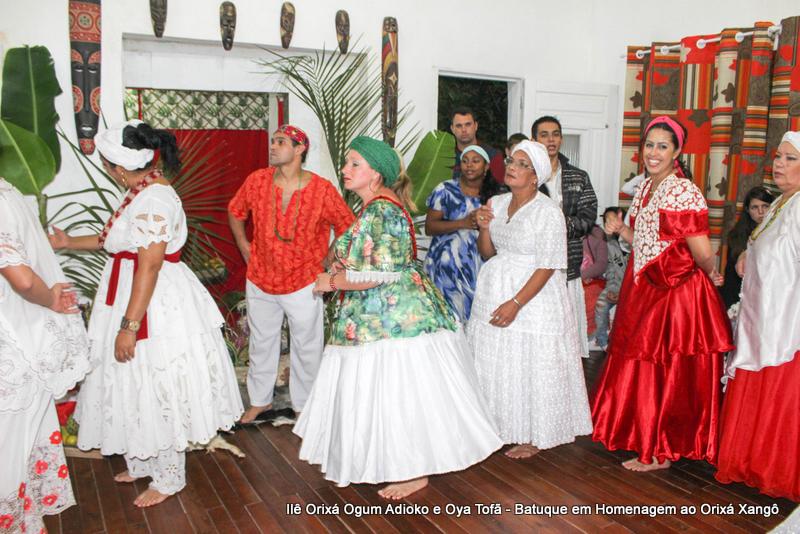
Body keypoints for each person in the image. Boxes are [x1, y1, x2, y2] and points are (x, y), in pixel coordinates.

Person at [294, 136, 502, 500]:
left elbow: (382, 273)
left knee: (397, 393)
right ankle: (384, 460)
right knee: (385, 393)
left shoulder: (381, 210)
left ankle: (412, 470)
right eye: (347, 163)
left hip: (393, 317)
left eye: (354, 164)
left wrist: (331, 282)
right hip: (378, 314)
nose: (345, 169)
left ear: (376, 174)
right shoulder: (377, 207)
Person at [52, 120, 244, 507]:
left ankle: (169, 476)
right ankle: (141, 459)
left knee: (156, 381)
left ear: (118, 168)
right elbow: (115, 240)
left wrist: (130, 326)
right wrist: (69, 241)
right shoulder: (141, 189)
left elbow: (150, 265)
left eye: (106, 163)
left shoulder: (154, 200)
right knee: (129, 379)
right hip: (130, 290)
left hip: (153, 302)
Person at [591, 116, 733, 472]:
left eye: (662, 146)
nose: (653, 152)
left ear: (677, 152)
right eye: (649, 144)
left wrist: (710, 270)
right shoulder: (646, 187)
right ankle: (647, 438)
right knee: (644, 364)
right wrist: (622, 229)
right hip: (646, 286)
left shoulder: (682, 191)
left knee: (666, 370)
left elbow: (700, 249)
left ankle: (661, 449)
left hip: (676, 292)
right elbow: (645, 240)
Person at [467, 140, 593, 459]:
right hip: (494, 287)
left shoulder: (547, 212)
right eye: (511, 161)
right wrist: (484, 228)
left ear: (536, 176)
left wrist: (516, 303)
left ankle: (535, 434)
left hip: (534, 296)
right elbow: (488, 252)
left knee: (530, 362)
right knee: (499, 361)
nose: (512, 167)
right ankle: (498, 425)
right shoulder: (496, 203)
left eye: (522, 164)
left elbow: (548, 265)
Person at [227, 125, 354, 423]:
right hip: (261, 277)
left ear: (299, 149)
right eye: (273, 141)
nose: (273, 146)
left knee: (307, 347)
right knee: (261, 342)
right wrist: (244, 245)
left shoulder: (322, 189)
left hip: (304, 280)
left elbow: (347, 225)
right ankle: (260, 401)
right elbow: (235, 211)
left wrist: (329, 259)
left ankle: (304, 406)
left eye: (281, 142)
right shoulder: (257, 181)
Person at [0, 178, 90, 532]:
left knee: (9, 454)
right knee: (14, 451)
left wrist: (50, 298)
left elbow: (22, 279)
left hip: (12, 347)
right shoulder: (8, 191)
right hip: (23, 343)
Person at [715, 131, 800, 501]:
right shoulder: (781, 201)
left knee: (781, 394)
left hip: (786, 324)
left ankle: (775, 468)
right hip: (760, 318)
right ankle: (750, 461)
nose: (779, 164)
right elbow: (767, 247)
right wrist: (746, 256)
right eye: (778, 156)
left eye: (790, 158)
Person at [531, 115, 598, 358]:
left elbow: (588, 218)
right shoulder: (525, 175)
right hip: (533, 265)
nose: (551, 140)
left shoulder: (578, 176)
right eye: (544, 135)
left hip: (567, 265)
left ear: (561, 139)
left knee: (567, 334)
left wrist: (557, 224)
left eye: (555, 134)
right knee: (538, 334)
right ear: (534, 140)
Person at [424, 145, 507, 321]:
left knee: (475, 320)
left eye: (476, 161)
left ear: (486, 166)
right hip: (443, 270)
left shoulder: (497, 197)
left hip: (478, 270)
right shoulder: (445, 190)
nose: (469, 165)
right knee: (444, 322)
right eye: (465, 161)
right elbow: (430, 227)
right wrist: (463, 223)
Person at [718, 186, 775, 308]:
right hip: (738, 296)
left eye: (765, 206)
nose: (761, 212)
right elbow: (731, 278)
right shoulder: (737, 235)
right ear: (747, 210)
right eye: (755, 207)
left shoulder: (779, 233)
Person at [592, 207, 629, 351]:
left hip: (634, 287)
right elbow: (610, 269)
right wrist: (613, 289)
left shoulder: (634, 239)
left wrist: (623, 293)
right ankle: (603, 342)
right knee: (601, 304)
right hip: (616, 285)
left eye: (614, 219)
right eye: (607, 220)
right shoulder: (607, 243)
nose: (611, 223)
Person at [450, 107, 505, 182]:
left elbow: (501, 186)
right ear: (452, 129)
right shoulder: (445, 156)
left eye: (468, 124)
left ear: (476, 126)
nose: (464, 130)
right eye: (459, 126)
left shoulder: (493, 156)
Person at [581, 224, 608, 342]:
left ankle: (591, 336)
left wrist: (581, 276)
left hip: (593, 280)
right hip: (569, 280)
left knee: (589, 295)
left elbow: (601, 264)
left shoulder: (596, 234)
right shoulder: (561, 232)